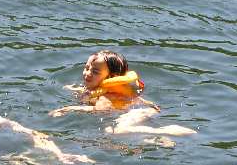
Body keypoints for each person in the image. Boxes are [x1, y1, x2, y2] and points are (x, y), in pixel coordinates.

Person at [49, 50, 195, 137]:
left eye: (95, 71)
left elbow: (100, 110)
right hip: (138, 111)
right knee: (111, 132)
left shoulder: (105, 96)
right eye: (86, 68)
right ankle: (153, 139)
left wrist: (69, 108)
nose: (87, 73)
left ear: (112, 77)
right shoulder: (98, 90)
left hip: (137, 112)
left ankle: (166, 131)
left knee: (117, 131)